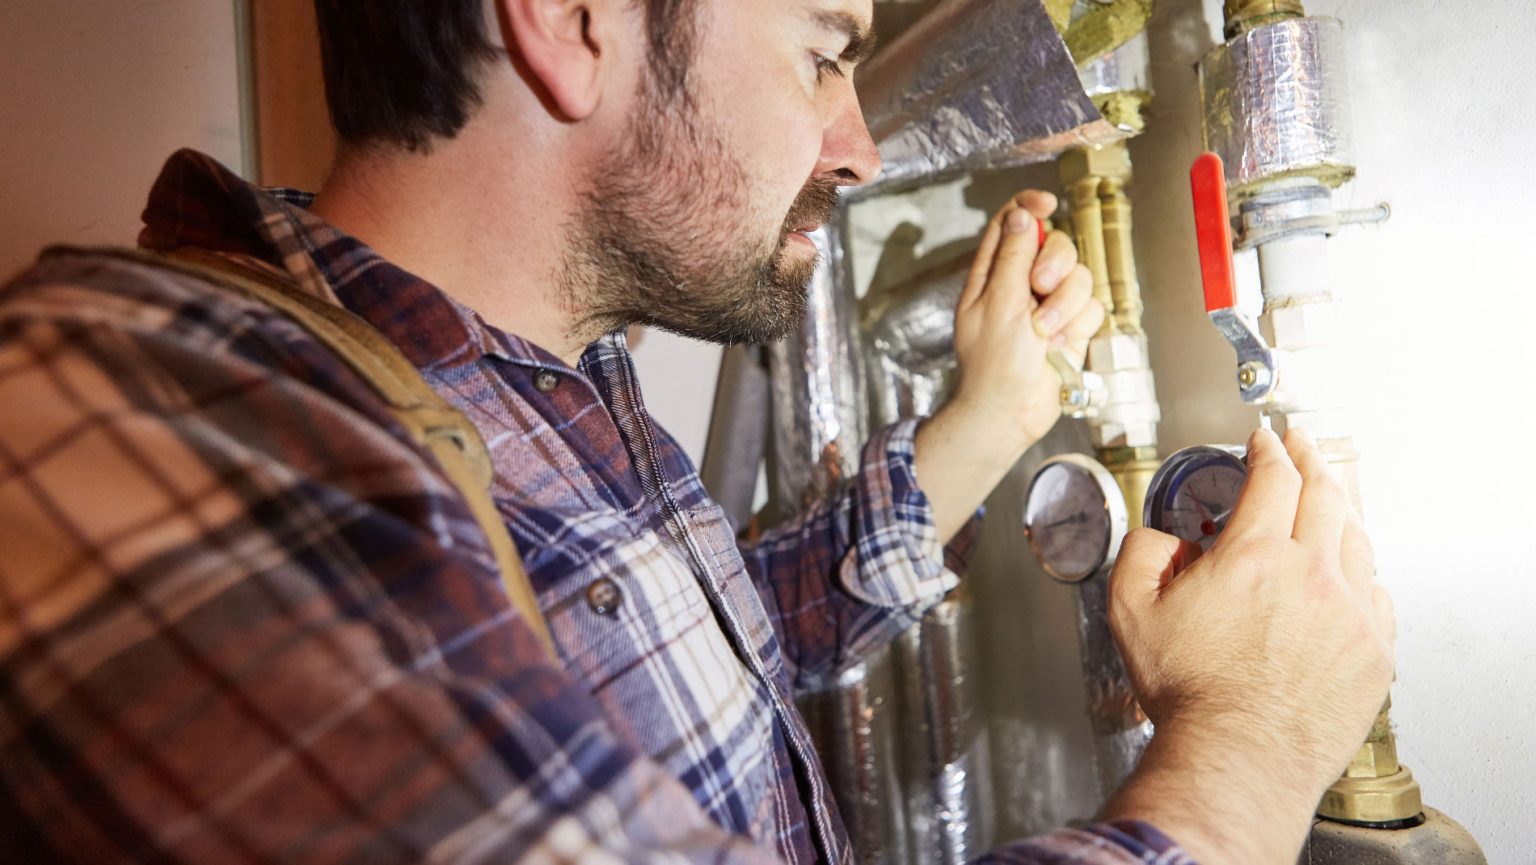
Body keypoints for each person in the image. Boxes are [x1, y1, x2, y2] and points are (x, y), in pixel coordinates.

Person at [0, 1, 1395, 863]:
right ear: (571, 19)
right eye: (821, 51)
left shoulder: (556, 386)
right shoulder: (123, 405)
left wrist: (989, 417)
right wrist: (1248, 744)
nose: (854, 144)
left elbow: (685, 664)